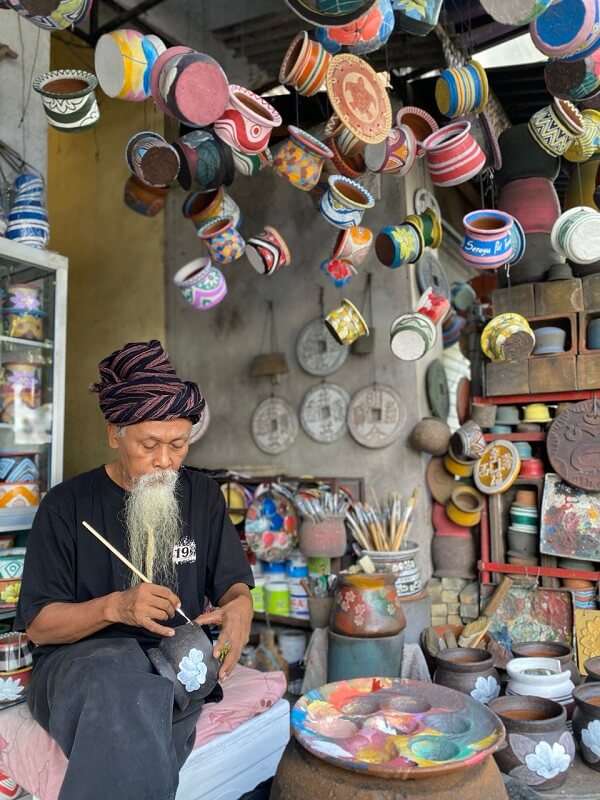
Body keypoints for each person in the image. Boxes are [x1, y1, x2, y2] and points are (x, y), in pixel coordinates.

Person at [14, 339, 254, 800]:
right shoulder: (67, 506)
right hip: (80, 668)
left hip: (170, 662)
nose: (166, 460)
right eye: (150, 444)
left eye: (178, 444)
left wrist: (240, 608)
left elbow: (233, 586)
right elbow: (40, 627)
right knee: (123, 684)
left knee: (154, 685)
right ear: (114, 433)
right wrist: (116, 607)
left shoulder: (202, 495)